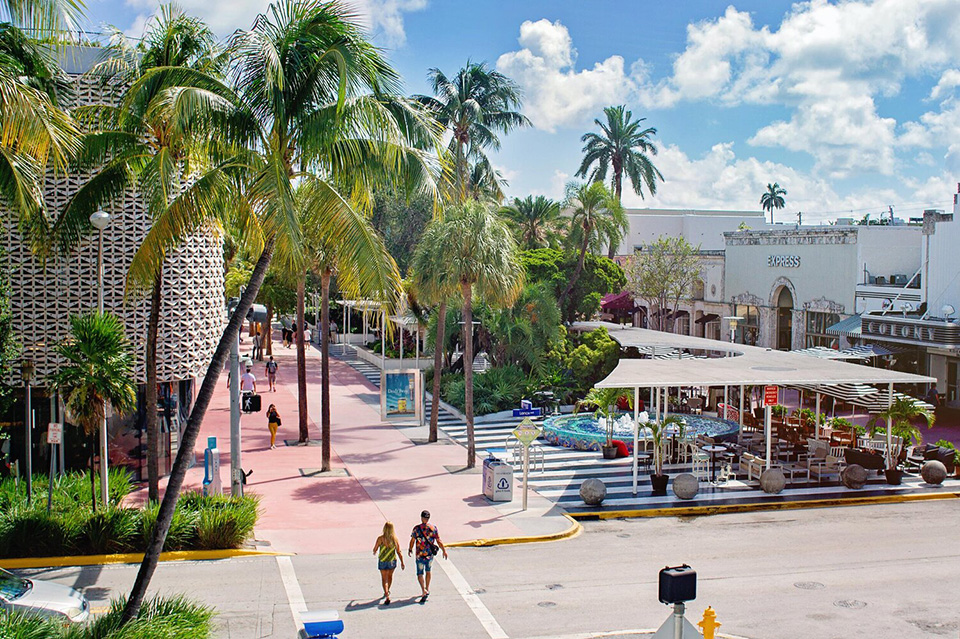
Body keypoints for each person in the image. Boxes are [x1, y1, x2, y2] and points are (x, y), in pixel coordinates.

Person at [407, 510, 447, 603]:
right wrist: (444, 550)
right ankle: (427, 588)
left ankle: (423, 590)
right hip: (429, 555)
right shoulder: (433, 528)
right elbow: (439, 540)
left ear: (421, 518)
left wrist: (410, 549)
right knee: (428, 571)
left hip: (419, 555)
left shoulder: (416, 529)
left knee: (420, 573)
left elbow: (412, 540)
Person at [373, 522, 404, 605]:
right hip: (392, 561)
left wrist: (375, 551)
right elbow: (399, 551)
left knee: (384, 578)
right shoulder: (394, 539)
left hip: (382, 560)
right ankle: (387, 591)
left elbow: (375, 549)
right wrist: (402, 562)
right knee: (390, 577)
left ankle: (386, 594)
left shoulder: (380, 539)